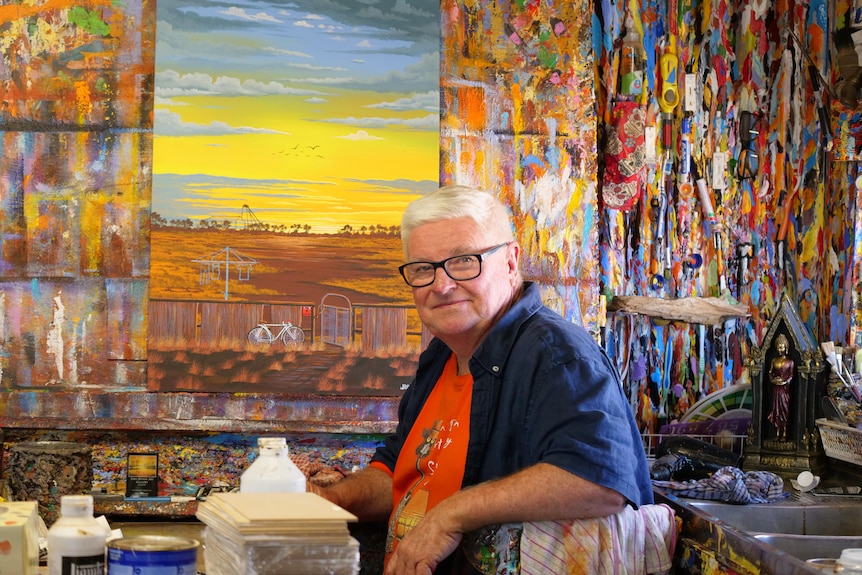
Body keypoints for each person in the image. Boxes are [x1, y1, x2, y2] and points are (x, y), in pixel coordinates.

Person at [308, 185, 653, 574]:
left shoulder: (556, 353)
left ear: (510, 262)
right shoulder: (440, 357)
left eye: (464, 261)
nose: (441, 285)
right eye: (423, 268)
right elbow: (396, 474)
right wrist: (326, 499)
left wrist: (450, 514)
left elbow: (600, 481)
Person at [767, 333, 794, 441]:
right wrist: (773, 380)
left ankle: (785, 433)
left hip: (784, 390)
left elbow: (791, 375)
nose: (780, 349)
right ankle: (777, 432)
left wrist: (784, 382)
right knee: (776, 410)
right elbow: (770, 372)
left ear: (786, 347)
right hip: (776, 389)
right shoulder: (774, 360)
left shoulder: (790, 362)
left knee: (784, 410)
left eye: (781, 347)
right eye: (778, 347)